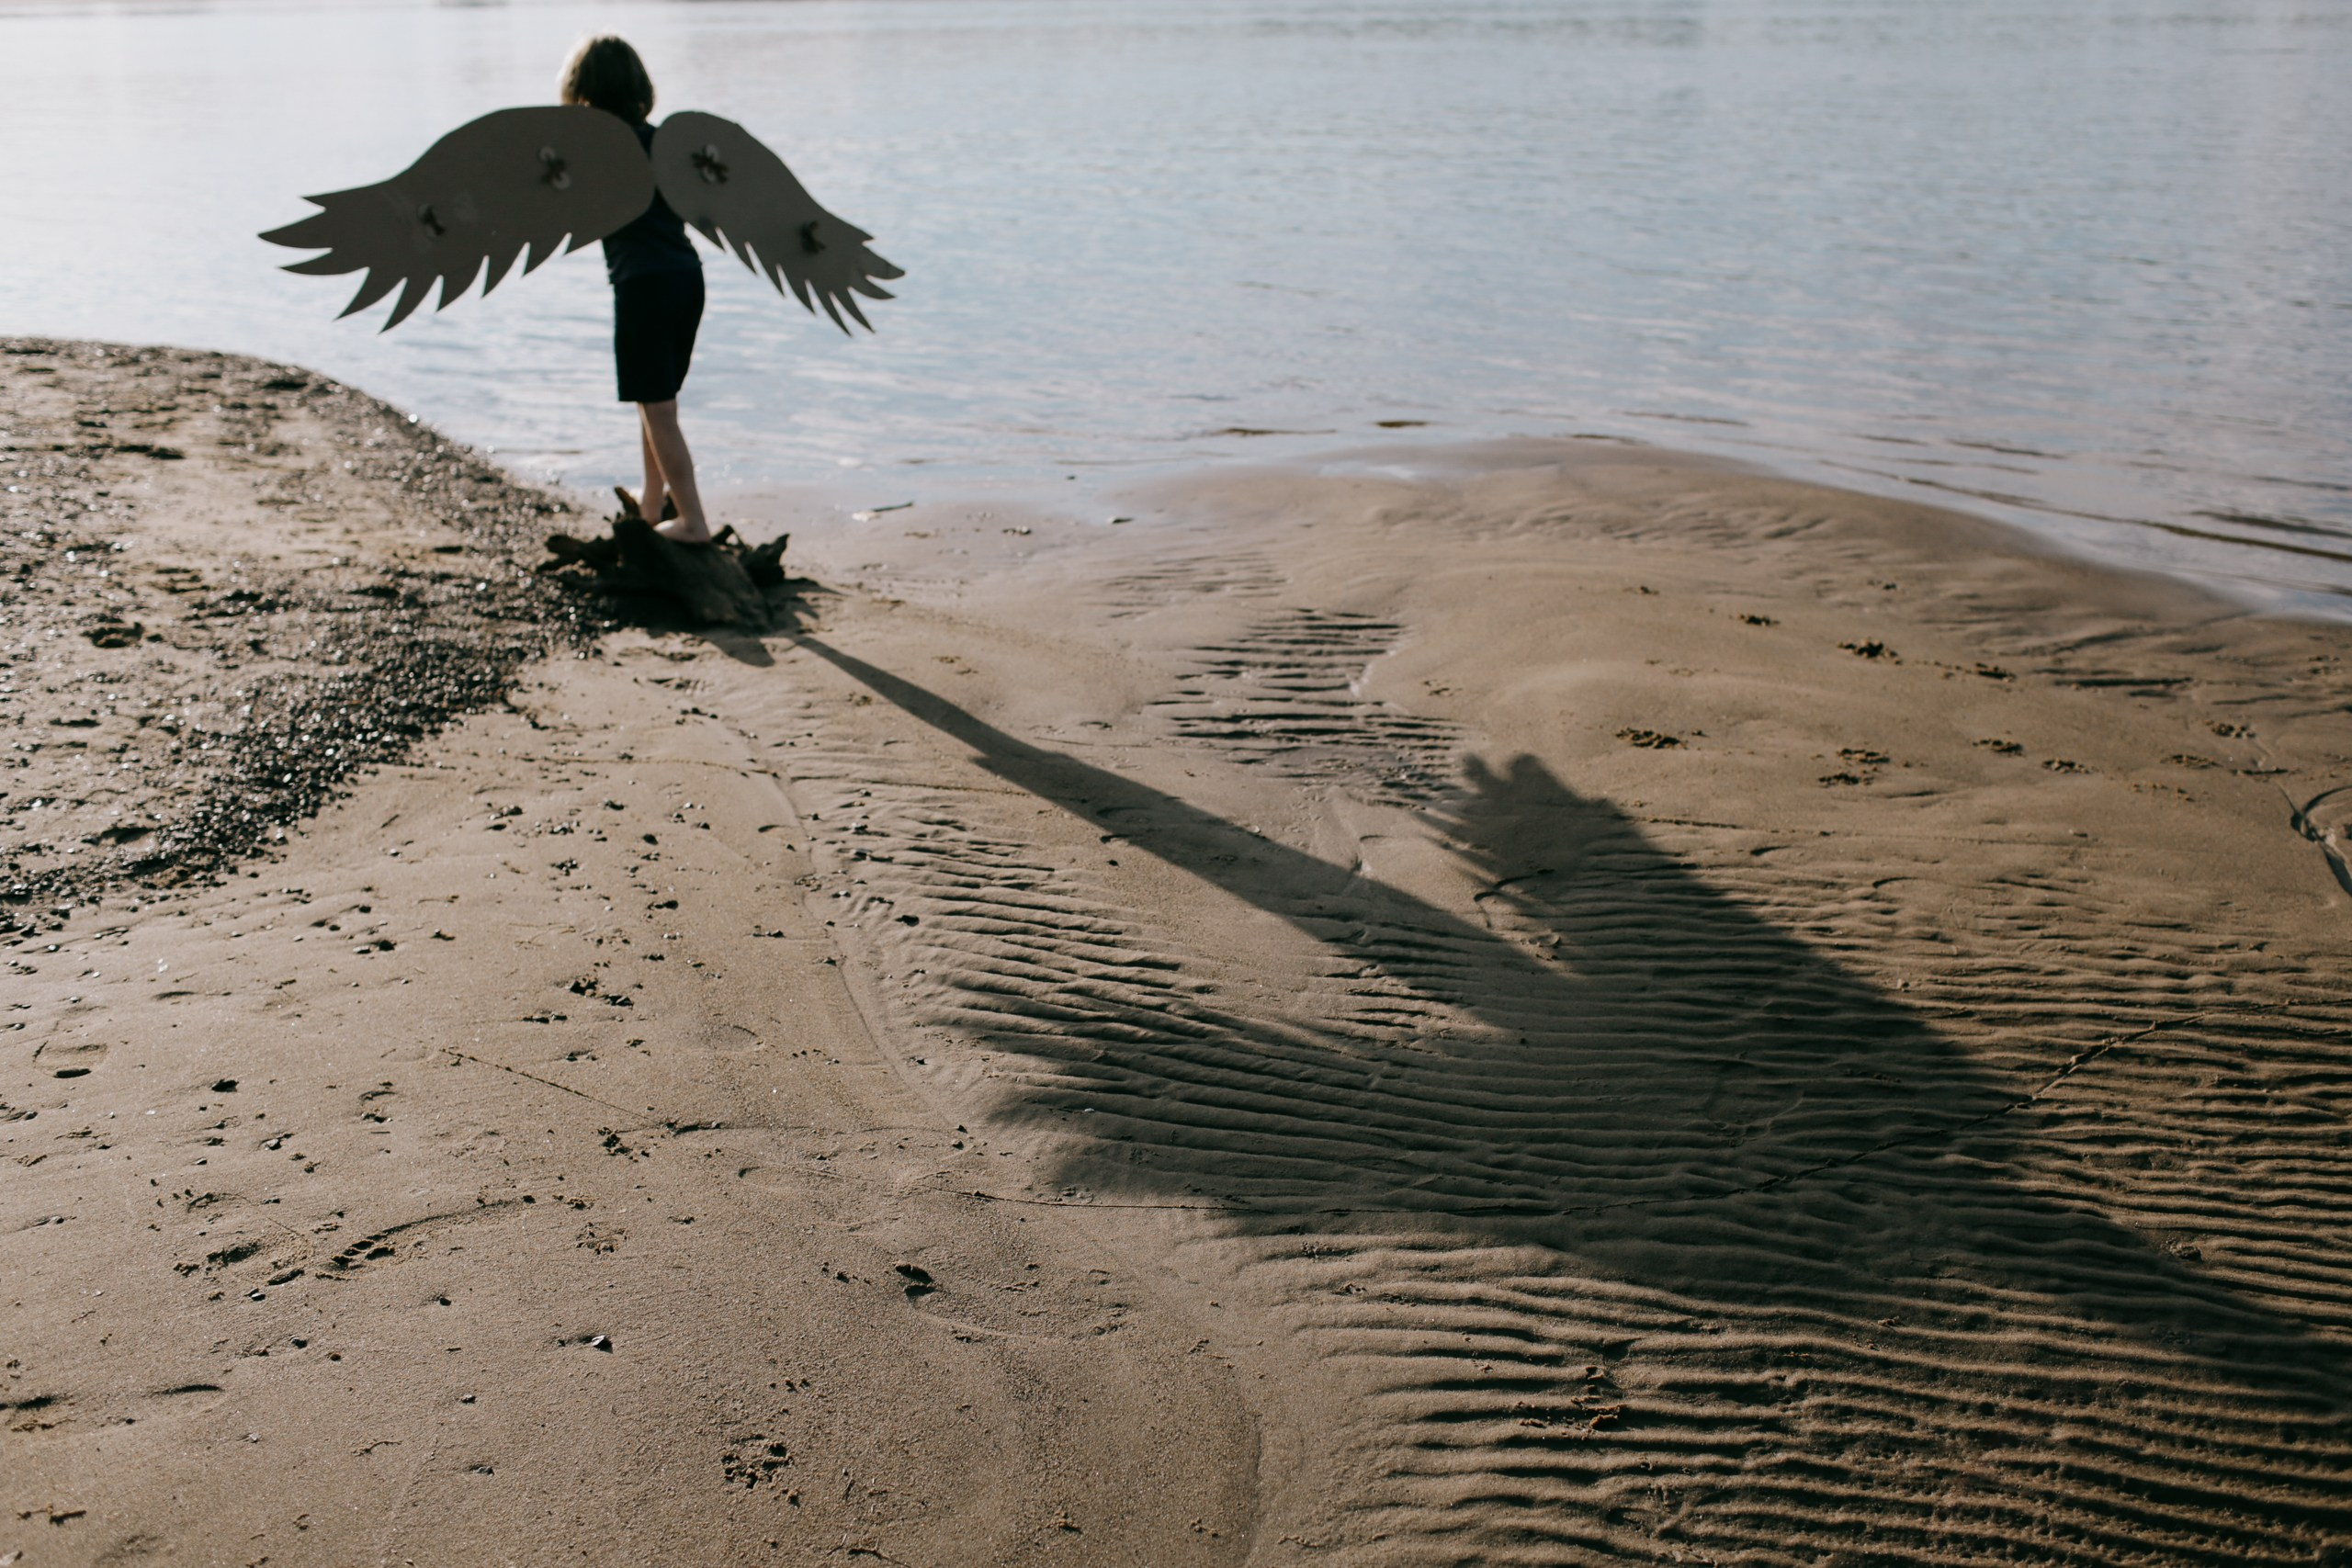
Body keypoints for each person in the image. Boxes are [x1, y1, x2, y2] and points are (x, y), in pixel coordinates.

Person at [558, 36, 713, 544]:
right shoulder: (665, 143)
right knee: (659, 404)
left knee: (657, 409)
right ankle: (652, 506)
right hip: (687, 278)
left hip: (643, 286)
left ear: (583, 90)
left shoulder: (595, 153)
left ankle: (692, 521)